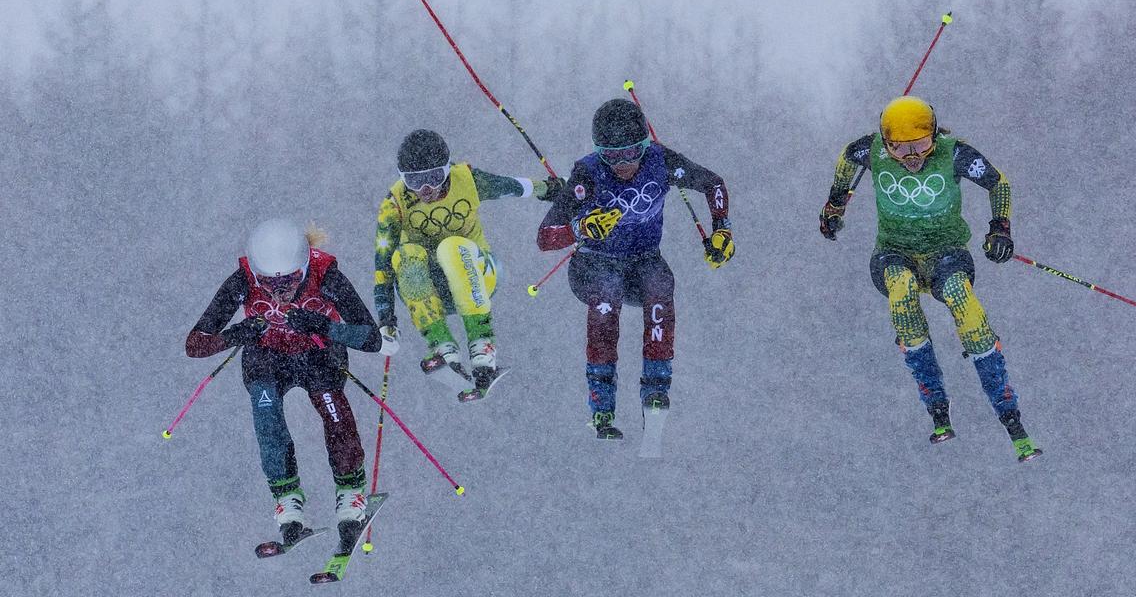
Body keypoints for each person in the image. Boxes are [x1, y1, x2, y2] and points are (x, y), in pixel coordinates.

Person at [820, 95, 1042, 462]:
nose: (912, 158)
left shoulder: (953, 154)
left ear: (935, 136)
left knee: (961, 298)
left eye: (921, 145)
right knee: (902, 292)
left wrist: (1000, 228)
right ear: (885, 143)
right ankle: (936, 402)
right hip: (894, 253)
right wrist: (834, 204)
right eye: (899, 148)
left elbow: (997, 183)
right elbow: (846, 159)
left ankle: (1007, 409)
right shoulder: (871, 151)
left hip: (946, 253)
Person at [537, 98, 735, 439]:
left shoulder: (660, 161)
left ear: (645, 145)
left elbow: (713, 184)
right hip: (593, 264)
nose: (623, 164)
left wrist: (722, 230)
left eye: (632, 152)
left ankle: (656, 386)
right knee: (608, 292)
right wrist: (581, 228)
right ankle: (602, 402)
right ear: (600, 153)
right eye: (612, 156)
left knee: (660, 284)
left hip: (643, 259)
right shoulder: (588, 173)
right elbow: (544, 237)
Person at [185, 218, 384, 545]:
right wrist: (236, 334)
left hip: (318, 353)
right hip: (267, 356)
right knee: (267, 418)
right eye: (267, 283)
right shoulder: (243, 280)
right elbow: (194, 344)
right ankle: (287, 501)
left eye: (290, 280)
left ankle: (351, 492)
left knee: (332, 409)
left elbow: (370, 338)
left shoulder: (326, 275)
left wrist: (322, 325)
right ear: (256, 273)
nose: (280, 291)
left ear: (304, 264)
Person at [374, 129, 563, 401]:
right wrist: (385, 318)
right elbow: (382, 264)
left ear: (447, 169)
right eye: (415, 182)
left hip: (479, 274)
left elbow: (512, 186)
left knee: (450, 246)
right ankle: (443, 348)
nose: (426, 190)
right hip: (432, 290)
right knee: (406, 255)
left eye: (434, 178)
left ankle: (482, 347)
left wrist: (553, 188)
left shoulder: (467, 180)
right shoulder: (394, 204)